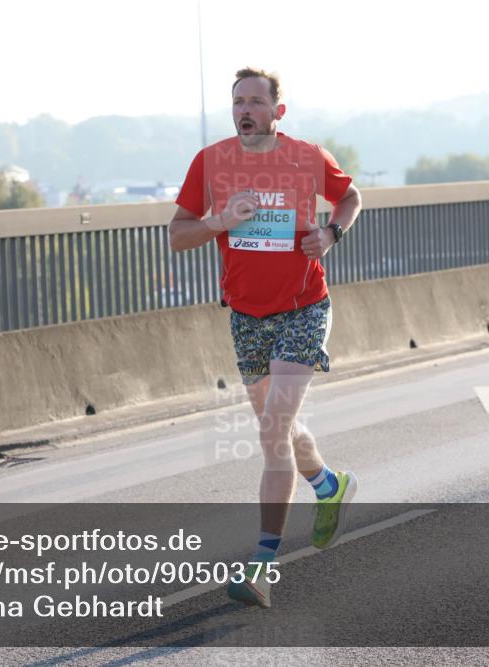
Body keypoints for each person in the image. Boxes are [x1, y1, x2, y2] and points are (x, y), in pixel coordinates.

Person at [169, 67, 362, 608]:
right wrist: (220, 220)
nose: (245, 110)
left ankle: (262, 568)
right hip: (246, 316)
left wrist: (330, 233)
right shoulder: (210, 163)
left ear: (279, 111)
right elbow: (177, 235)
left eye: (256, 101)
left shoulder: (306, 156)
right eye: (237, 102)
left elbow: (351, 199)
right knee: (282, 427)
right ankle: (329, 485)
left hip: (304, 308)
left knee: (272, 432)